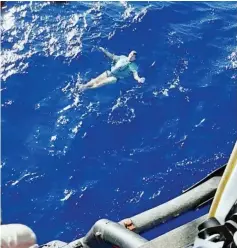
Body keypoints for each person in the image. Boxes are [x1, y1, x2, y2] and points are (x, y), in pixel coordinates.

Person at [81, 47, 145, 90]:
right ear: (129, 54)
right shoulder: (122, 57)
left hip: (115, 78)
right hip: (109, 72)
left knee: (100, 83)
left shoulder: (133, 66)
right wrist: (104, 51)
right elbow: (112, 56)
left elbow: (135, 74)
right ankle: (83, 87)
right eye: (131, 54)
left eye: (133, 56)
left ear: (135, 59)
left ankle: (87, 89)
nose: (131, 56)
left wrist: (138, 79)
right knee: (95, 80)